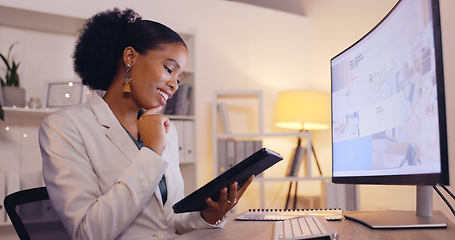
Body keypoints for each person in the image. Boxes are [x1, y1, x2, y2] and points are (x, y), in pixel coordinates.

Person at [39, 8, 253, 240]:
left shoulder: (167, 131)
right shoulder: (65, 127)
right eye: (169, 69)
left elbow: (168, 222)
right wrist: (151, 151)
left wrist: (210, 216)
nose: (174, 85)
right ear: (130, 57)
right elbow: (88, 231)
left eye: (179, 79)